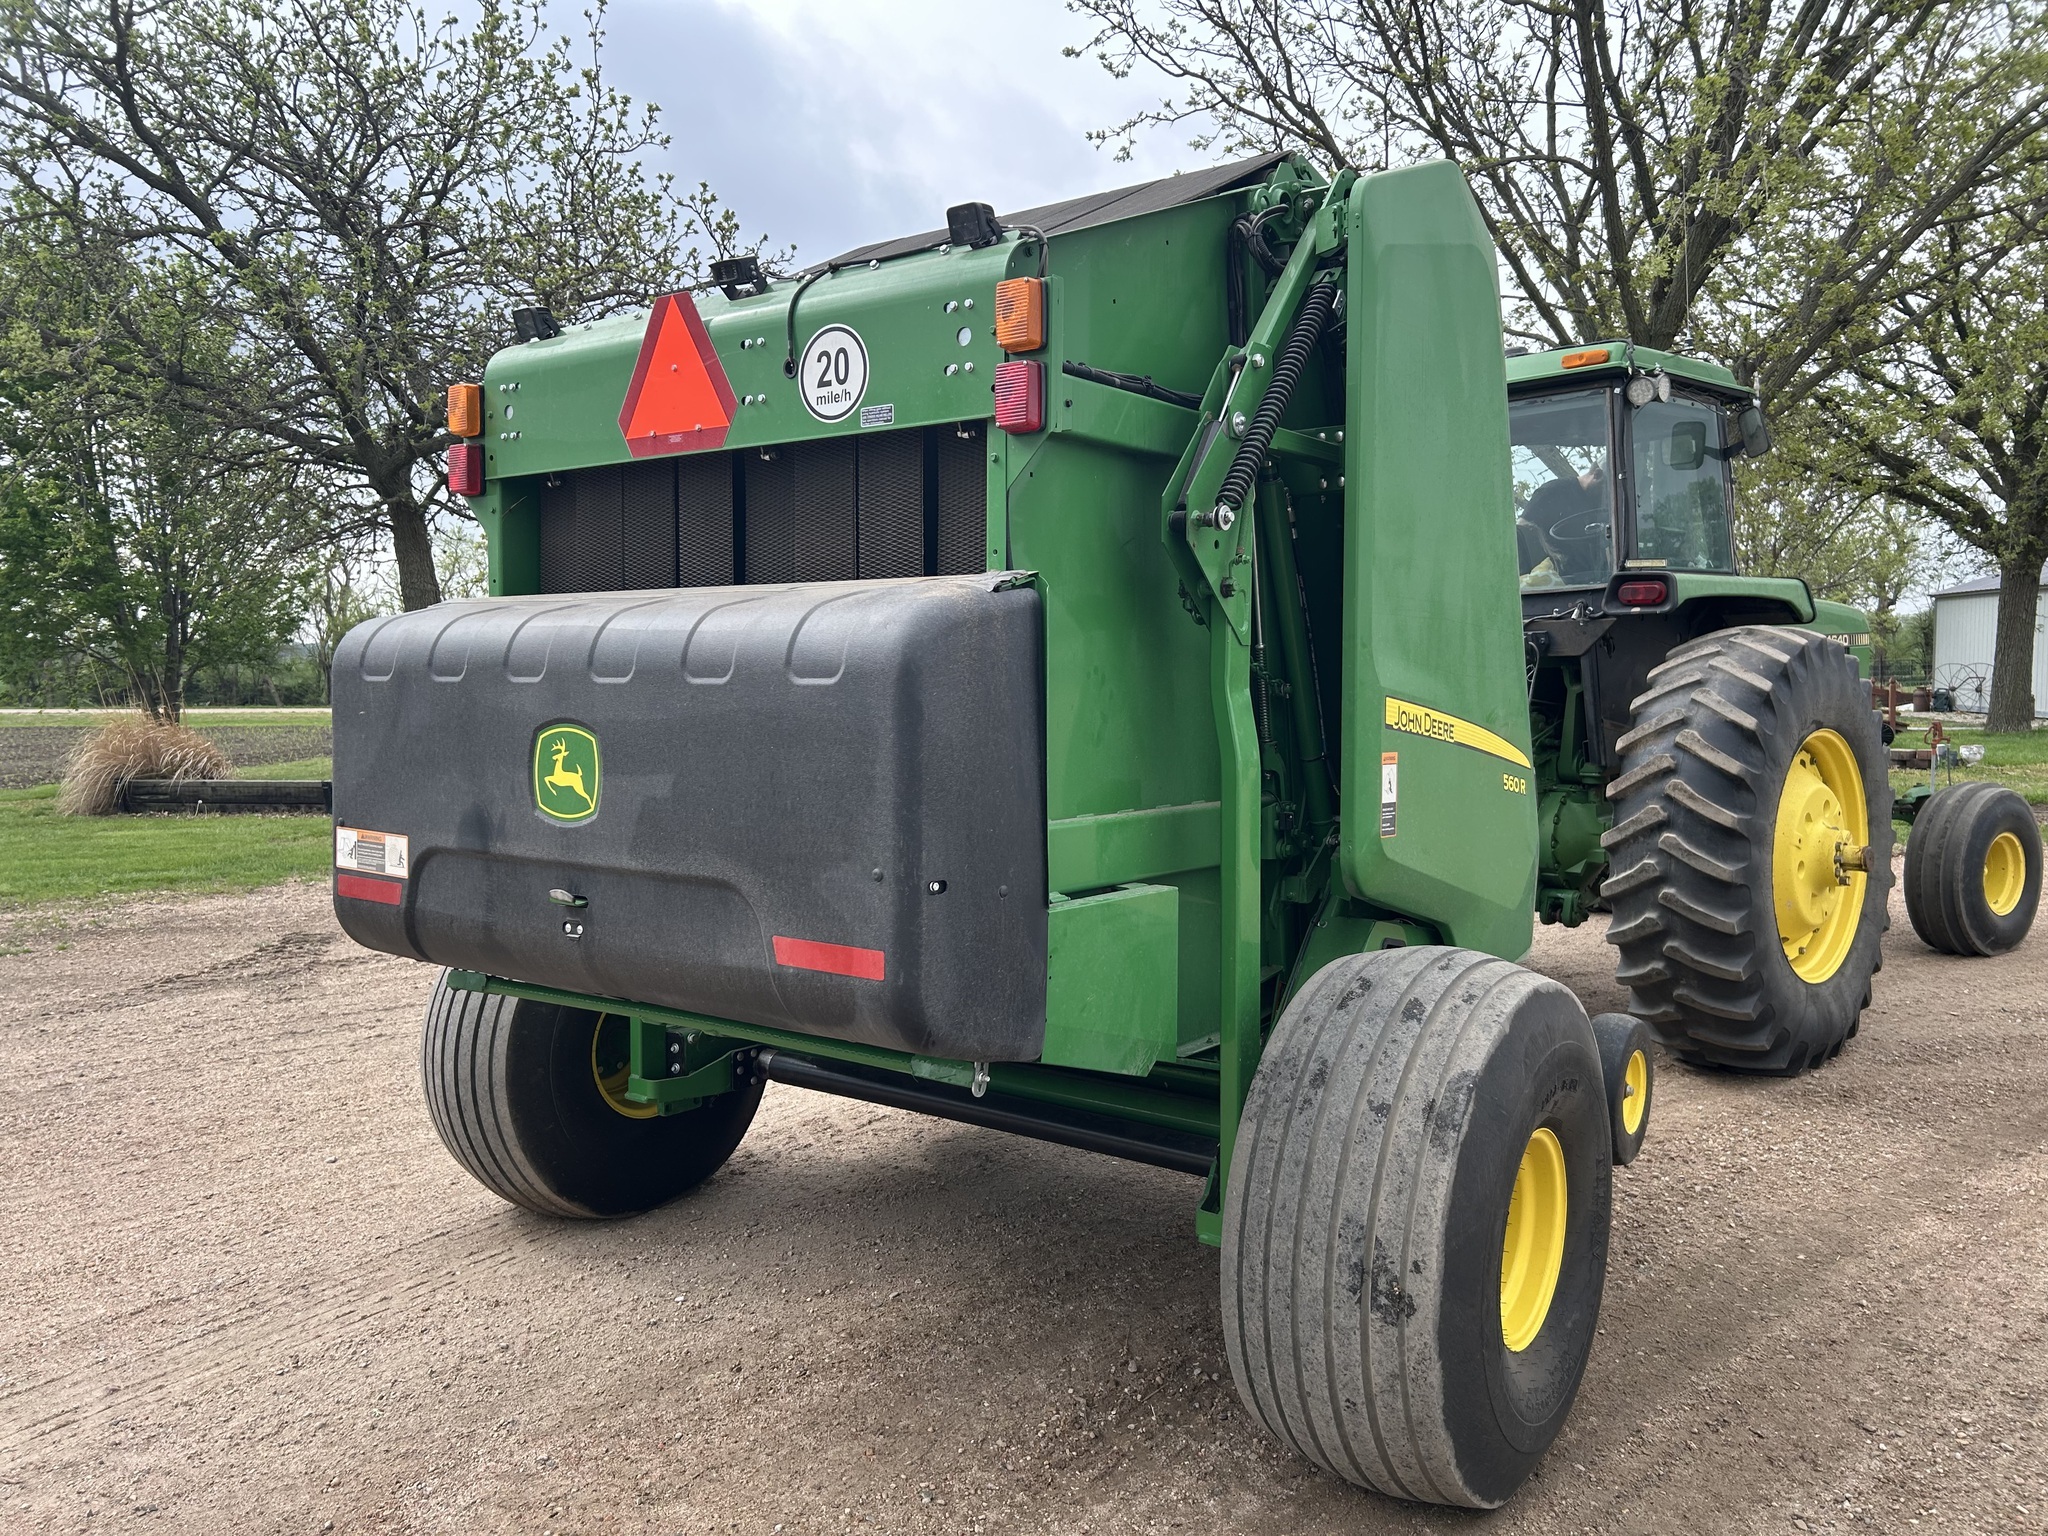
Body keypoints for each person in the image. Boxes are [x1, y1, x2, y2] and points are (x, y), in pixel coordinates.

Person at [1517, 462, 1611, 587]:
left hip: (1597, 582)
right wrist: (1552, 554)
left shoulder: (1603, 506)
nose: (1609, 496)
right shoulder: (1551, 492)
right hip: (1559, 585)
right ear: (1597, 475)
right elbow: (1522, 532)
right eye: (1608, 489)